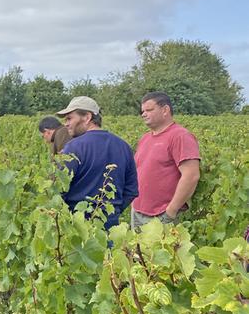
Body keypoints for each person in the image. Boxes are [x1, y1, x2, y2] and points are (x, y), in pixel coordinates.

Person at [56, 96, 138, 230]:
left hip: (76, 227)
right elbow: (131, 190)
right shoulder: (123, 146)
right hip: (111, 227)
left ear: (87, 117)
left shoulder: (73, 148)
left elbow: (58, 189)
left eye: (69, 118)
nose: (66, 124)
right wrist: (111, 212)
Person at [131, 92, 200, 229]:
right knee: (137, 251)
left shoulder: (180, 136)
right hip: (138, 212)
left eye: (149, 110)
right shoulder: (145, 138)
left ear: (165, 110)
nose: (144, 114)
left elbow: (191, 175)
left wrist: (171, 211)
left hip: (162, 215)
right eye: (142, 111)